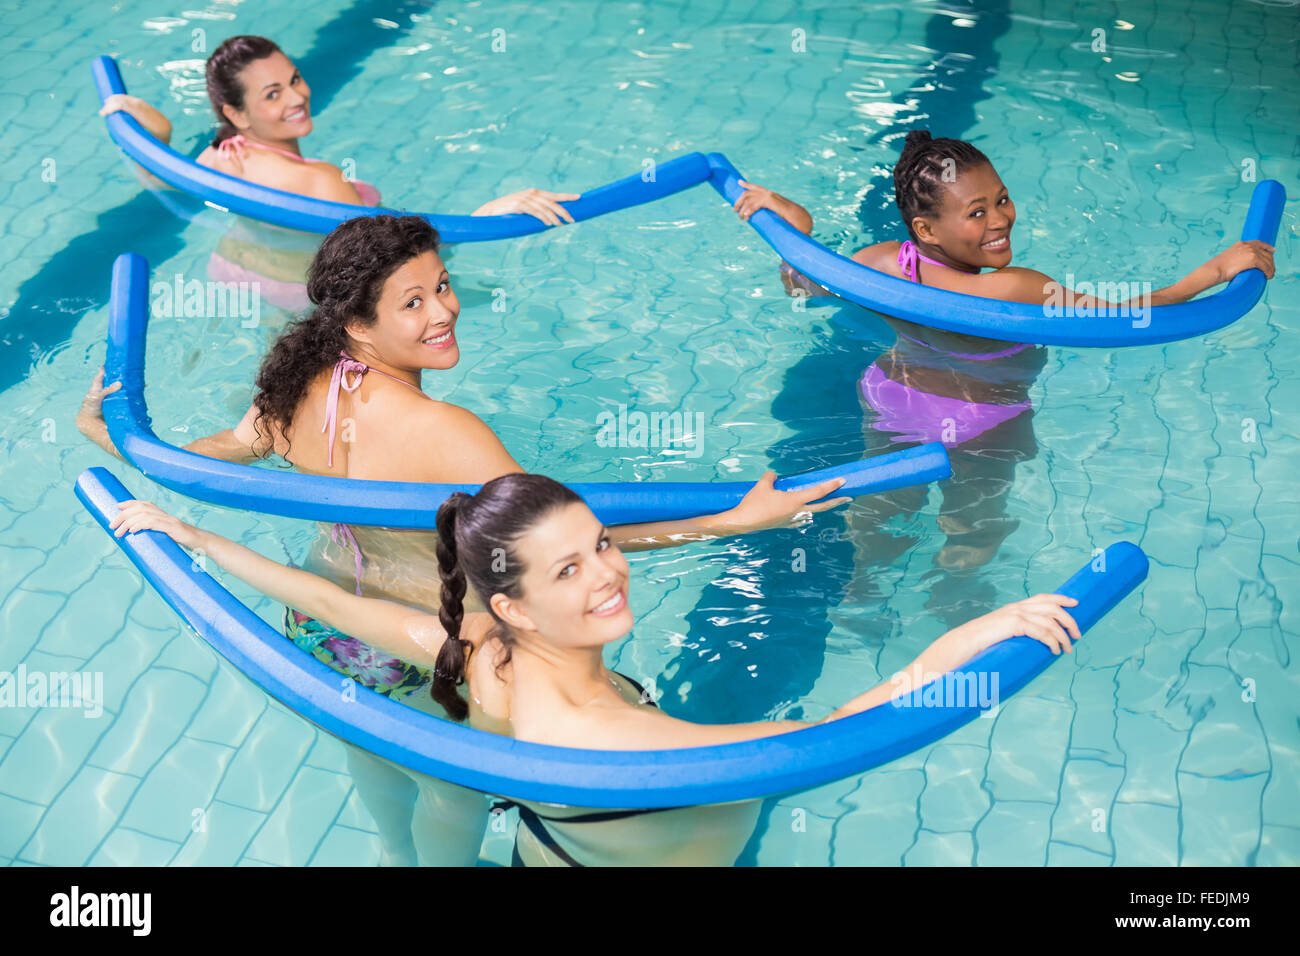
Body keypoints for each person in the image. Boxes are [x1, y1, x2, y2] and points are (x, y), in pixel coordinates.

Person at [109, 472, 1084, 864]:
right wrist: (980, 635)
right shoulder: (626, 741)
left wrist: (186, 532)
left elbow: (330, 602)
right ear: (516, 602)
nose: (612, 570)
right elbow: (847, 728)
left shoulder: (482, 654)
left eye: (604, 542)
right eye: (570, 567)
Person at [99, 35, 580, 313]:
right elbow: (391, 260)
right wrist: (487, 218)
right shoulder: (319, 181)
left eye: (294, 79)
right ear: (237, 112)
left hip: (241, 274)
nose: (296, 97)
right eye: (272, 94)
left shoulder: (223, 156)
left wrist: (156, 139)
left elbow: (167, 185)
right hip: (309, 299)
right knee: (488, 298)